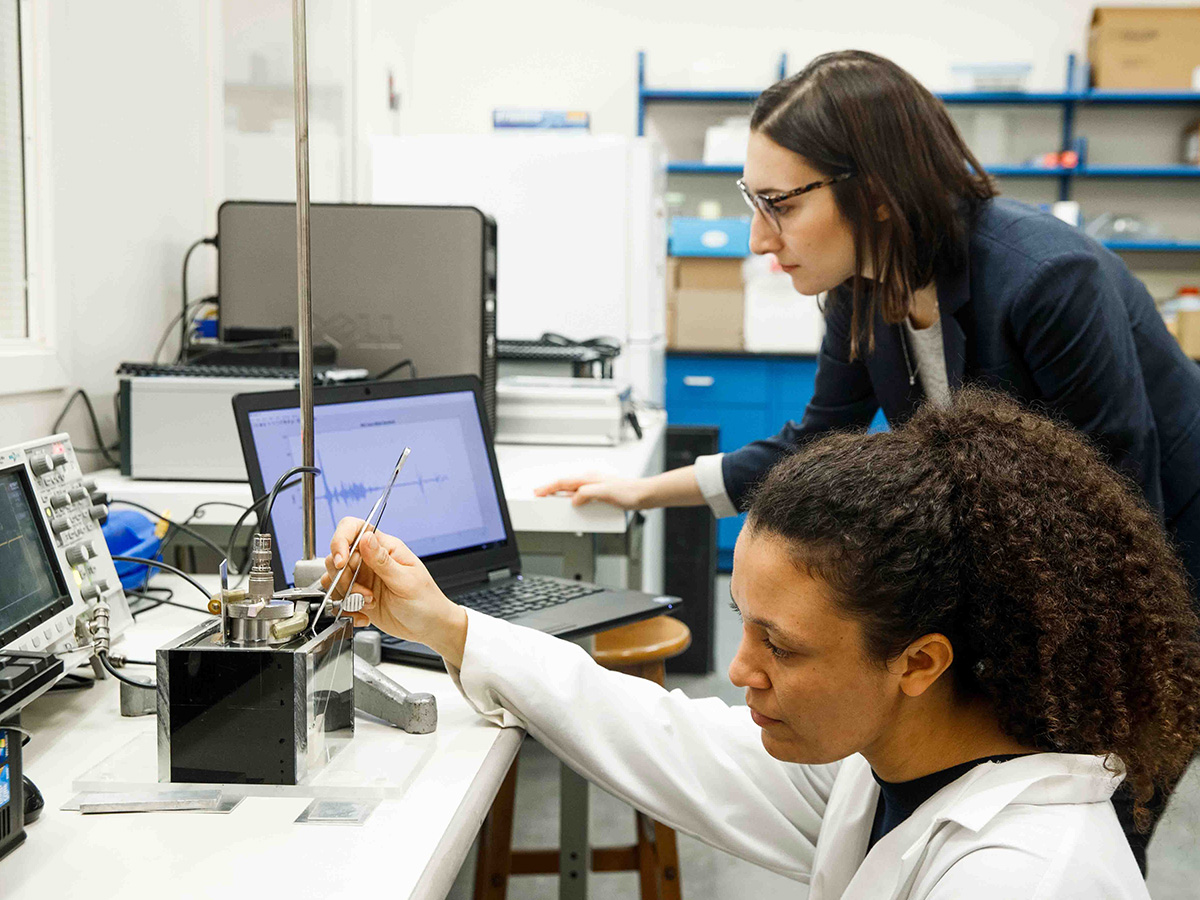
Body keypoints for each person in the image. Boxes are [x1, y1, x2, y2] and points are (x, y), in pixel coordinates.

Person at [535, 50, 1200, 865]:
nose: (757, 237)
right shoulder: (862, 290)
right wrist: (640, 491)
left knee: (1079, 827)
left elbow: (1123, 508)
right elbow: (815, 441)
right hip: (1035, 589)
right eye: (753, 202)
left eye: (778, 203)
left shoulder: (1046, 279)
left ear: (875, 193)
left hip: (1153, 581)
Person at [325, 391, 1200, 899]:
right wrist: (444, 623)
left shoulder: (1026, 879)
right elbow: (668, 738)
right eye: (742, 620)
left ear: (921, 661)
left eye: (779, 646)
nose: (740, 669)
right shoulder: (886, 766)